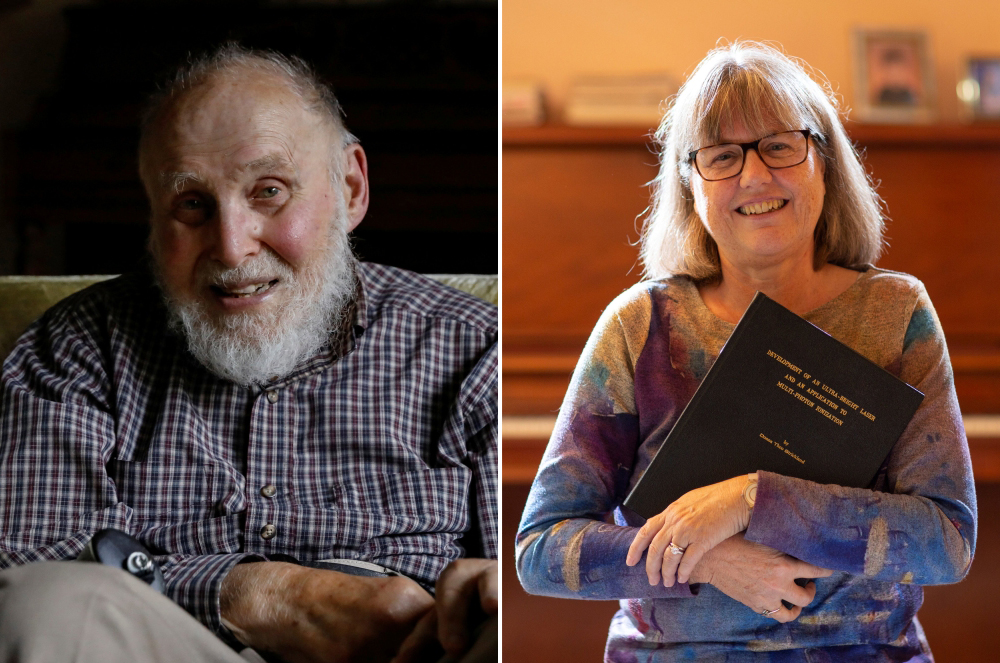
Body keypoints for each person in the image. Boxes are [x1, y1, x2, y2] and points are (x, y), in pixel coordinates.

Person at [0, 44, 497, 663]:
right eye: (191, 204)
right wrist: (263, 594)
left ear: (350, 188)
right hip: (167, 647)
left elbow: (537, 573)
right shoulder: (75, 349)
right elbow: (29, 562)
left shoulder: (477, 350)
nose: (232, 248)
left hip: (414, 651)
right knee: (47, 605)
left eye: (268, 191)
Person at [516, 41, 975, 662]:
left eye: (780, 146)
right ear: (690, 186)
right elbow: (540, 550)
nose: (755, 177)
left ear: (825, 162)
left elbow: (947, 542)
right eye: (722, 157)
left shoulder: (894, 312)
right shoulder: (640, 324)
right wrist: (703, 556)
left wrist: (754, 500)